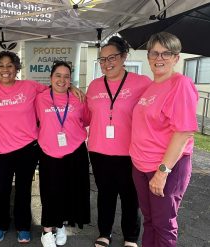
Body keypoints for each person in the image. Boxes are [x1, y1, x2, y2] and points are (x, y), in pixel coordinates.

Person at [0, 51, 84, 244]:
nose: (5, 69)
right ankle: (0, 225)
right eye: (1, 65)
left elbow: (57, 86)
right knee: (1, 190)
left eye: (10, 65)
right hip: (1, 151)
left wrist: (73, 87)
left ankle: (23, 226)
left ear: (17, 68)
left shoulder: (29, 86)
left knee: (24, 190)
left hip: (28, 148)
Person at [129, 32, 198, 247]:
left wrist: (162, 172)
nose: (159, 58)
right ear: (148, 57)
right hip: (141, 166)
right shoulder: (151, 86)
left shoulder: (181, 84)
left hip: (165, 168)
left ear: (176, 58)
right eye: (154, 53)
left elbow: (183, 132)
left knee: (164, 225)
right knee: (150, 222)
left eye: (166, 53)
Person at [86, 36, 151, 247]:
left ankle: (131, 237)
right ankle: (104, 233)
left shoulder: (142, 83)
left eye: (111, 57)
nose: (106, 63)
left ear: (123, 57)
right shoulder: (94, 86)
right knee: (105, 195)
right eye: (102, 59)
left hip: (130, 152)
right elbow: (86, 114)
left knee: (130, 196)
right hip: (98, 150)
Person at [36, 61, 90, 247]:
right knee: (50, 192)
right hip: (48, 152)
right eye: (58, 75)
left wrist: (74, 88)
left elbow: (85, 121)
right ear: (50, 78)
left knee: (68, 192)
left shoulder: (79, 99)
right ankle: (47, 231)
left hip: (75, 152)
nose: (62, 80)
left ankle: (61, 225)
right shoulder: (39, 98)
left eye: (67, 76)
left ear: (71, 80)